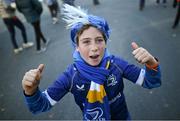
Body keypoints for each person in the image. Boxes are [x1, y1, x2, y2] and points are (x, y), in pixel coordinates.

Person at [22, 4, 161, 120]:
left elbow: (150, 81)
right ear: (77, 46)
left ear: (105, 43)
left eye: (99, 40)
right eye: (86, 42)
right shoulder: (71, 76)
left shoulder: (117, 65)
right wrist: (31, 91)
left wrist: (151, 63)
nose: (94, 48)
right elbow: (41, 105)